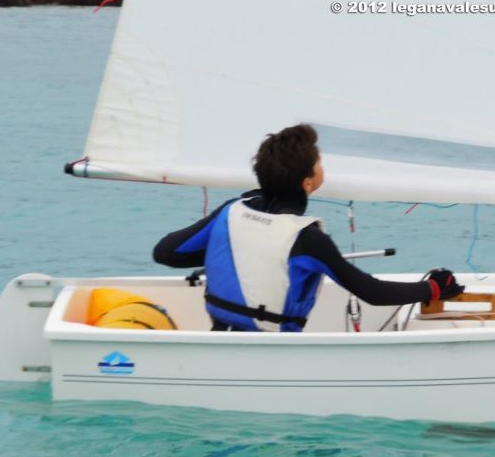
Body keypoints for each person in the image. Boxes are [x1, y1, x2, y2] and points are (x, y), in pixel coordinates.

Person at [153, 124, 464, 332]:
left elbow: (166, 253)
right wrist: (435, 288)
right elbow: (371, 292)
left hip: (219, 344)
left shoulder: (231, 212)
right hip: (275, 357)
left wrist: (236, 248)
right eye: (319, 162)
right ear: (308, 182)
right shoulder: (307, 240)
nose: (322, 167)